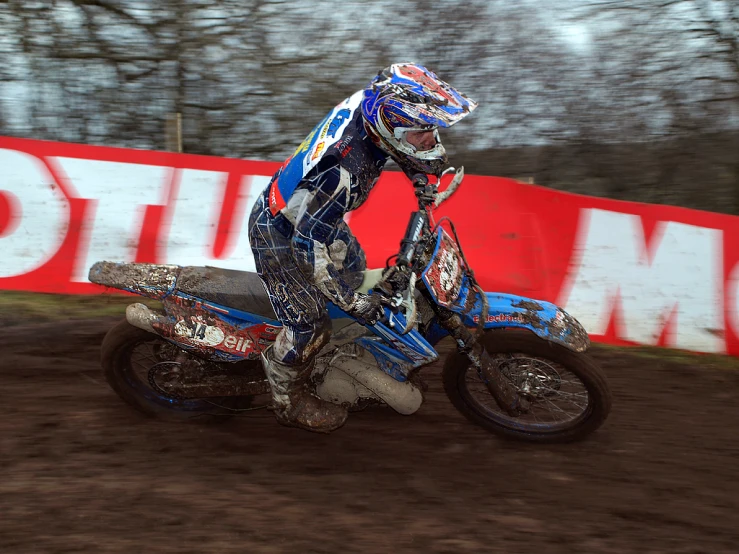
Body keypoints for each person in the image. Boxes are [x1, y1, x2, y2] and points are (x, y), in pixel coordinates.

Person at [248, 62, 477, 433]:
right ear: (393, 126)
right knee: (309, 323)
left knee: (355, 269)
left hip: (316, 217)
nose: (429, 140)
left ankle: (336, 355)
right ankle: (288, 398)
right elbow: (309, 248)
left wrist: (419, 178)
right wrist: (353, 304)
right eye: (423, 131)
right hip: (280, 233)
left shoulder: (372, 106)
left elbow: (398, 146)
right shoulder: (342, 171)